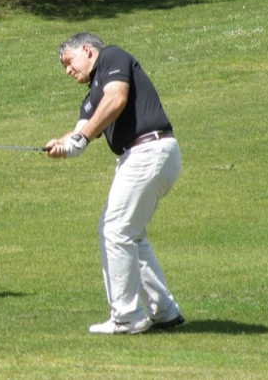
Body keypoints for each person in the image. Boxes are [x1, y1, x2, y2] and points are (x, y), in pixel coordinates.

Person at [46, 32, 185, 335]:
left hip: (149, 149)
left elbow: (117, 98)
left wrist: (81, 139)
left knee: (116, 229)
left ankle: (126, 316)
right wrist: (61, 144)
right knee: (129, 234)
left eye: (69, 63)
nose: (68, 71)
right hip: (144, 155)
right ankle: (164, 311)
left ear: (86, 50)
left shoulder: (112, 56)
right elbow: (81, 129)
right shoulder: (91, 96)